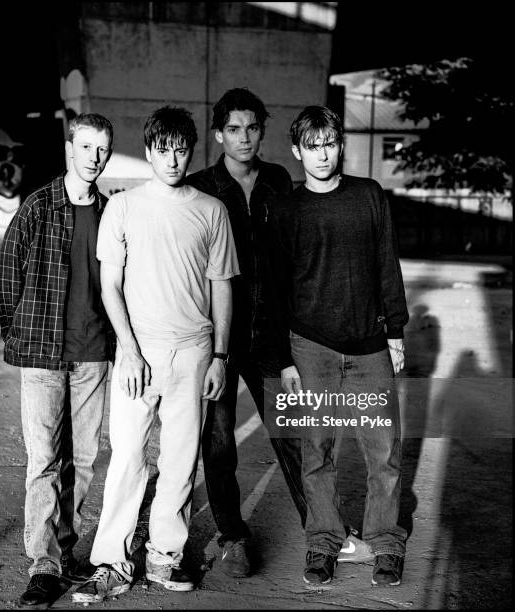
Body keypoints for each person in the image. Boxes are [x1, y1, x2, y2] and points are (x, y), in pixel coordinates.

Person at [185, 88, 368, 577]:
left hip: (271, 335)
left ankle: (325, 528)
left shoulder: (277, 180)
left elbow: (293, 256)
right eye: (235, 129)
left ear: (262, 131)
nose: (244, 138)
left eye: (252, 128)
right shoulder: (201, 187)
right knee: (219, 440)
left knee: (291, 433)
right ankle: (232, 536)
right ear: (220, 133)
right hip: (219, 336)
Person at [72, 106, 239, 603]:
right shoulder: (123, 208)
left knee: (180, 460)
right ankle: (111, 564)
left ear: (192, 152)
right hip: (136, 355)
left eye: (180, 149)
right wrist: (129, 349)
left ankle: (165, 557)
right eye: (162, 149)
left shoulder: (211, 210)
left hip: (193, 352)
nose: (171, 159)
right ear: (148, 152)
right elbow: (110, 287)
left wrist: (220, 357)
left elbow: (222, 288)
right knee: (126, 458)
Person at [268, 105, 408, 588]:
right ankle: (323, 543)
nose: (323, 154)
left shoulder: (368, 195)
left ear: (340, 144)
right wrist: (282, 358)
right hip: (309, 347)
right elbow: (276, 286)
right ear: (297, 151)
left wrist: (395, 332)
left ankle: (386, 542)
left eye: (330, 143)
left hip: (369, 345)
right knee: (317, 452)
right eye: (313, 146)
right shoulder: (287, 207)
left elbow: (387, 263)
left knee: (383, 452)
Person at [0, 113, 115, 609]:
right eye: (85, 147)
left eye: (102, 149)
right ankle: (43, 565)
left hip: (92, 357)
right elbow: (7, 277)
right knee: (44, 461)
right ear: (71, 150)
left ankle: (66, 553)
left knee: (82, 462)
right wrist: (20, 336)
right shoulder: (40, 207)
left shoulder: (111, 213)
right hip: (44, 357)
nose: (94, 157)